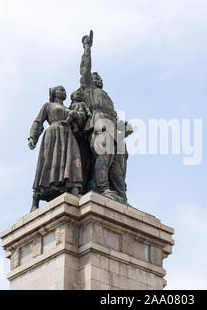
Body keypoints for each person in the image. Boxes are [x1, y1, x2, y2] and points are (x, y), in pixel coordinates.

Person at [78, 31, 130, 203]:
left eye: (99, 78)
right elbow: (85, 70)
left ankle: (121, 194)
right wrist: (87, 48)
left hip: (114, 127)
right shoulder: (89, 91)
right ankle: (103, 188)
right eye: (94, 78)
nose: (97, 79)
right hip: (99, 124)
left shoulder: (106, 95)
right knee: (104, 153)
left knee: (118, 161)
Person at [28, 85, 86, 212]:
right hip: (53, 134)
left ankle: (74, 189)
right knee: (46, 164)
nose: (63, 92)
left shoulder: (69, 108)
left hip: (68, 135)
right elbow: (38, 121)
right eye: (60, 90)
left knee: (73, 159)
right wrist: (33, 136)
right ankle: (35, 201)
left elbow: (80, 123)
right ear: (54, 93)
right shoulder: (48, 106)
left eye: (64, 90)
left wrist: (77, 116)